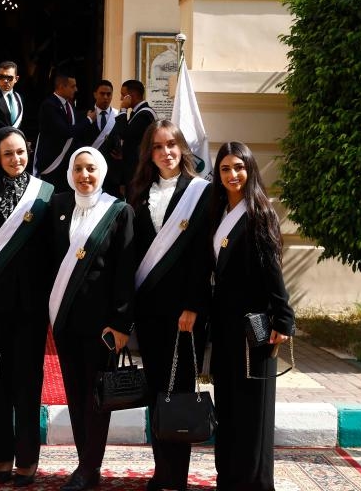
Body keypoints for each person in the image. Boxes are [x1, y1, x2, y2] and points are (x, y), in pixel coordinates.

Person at [0, 126, 54, 487]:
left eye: (21, 152)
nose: (16, 159)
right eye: (8, 154)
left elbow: (52, 254)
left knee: (28, 385)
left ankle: (28, 458)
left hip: (32, 307)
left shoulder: (45, 196)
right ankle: (2, 455)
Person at [126, 120, 210, 491]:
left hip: (184, 313)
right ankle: (162, 470)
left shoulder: (199, 193)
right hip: (150, 311)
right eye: (158, 147)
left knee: (180, 390)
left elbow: (201, 255)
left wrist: (193, 305)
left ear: (182, 149)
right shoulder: (138, 192)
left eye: (172, 145)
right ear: (150, 153)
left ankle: (178, 474)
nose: (166, 152)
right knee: (157, 391)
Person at [207, 142, 294, 491]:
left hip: (255, 327)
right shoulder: (216, 212)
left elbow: (273, 271)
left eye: (239, 167)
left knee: (253, 411)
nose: (233, 175)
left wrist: (283, 318)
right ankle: (228, 478)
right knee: (227, 406)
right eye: (225, 168)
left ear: (250, 169)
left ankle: (256, 483)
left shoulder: (259, 213)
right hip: (224, 325)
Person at [48, 146, 134, 491]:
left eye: (91, 169)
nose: (85, 176)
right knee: (75, 392)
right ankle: (86, 463)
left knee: (97, 397)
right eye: (79, 169)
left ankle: (88, 467)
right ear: (71, 172)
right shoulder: (57, 207)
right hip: (66, 319)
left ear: (102, 173)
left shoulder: (118, 212)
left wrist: (122, 323)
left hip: (103, 327)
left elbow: (125, 272)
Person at [34, 71, 94, 190]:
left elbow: (74, 123)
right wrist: (88, 120)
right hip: (52, 163)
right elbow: (66, 132)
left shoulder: (69, 105)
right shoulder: (49, 105)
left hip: (66, 164)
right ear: (61, 87)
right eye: (72, 86)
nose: (76, 89)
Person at [112, 80, 157, 195]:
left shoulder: (145, 114)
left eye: (123, 95)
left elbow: (124, 133)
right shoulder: (138, 113)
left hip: (139, 171)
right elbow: (133, 141)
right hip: (133, 169)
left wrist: (122, 110)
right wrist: (124, 153)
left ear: (131, 95)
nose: (121, 99)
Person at [85, 80, 122, 197]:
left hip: (112, 174)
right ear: (95, 94)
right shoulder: (84, 115)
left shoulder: (119, 116)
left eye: (109, 94)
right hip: (89, 170)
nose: (106, 97)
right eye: (102, 94)